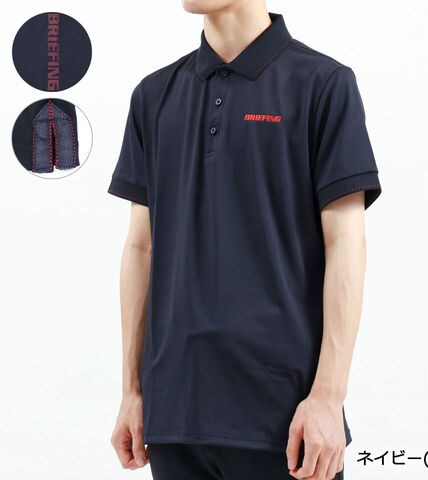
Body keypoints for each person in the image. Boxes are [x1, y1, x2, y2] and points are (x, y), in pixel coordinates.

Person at [108, 1, 382, 479]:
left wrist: (328, 396)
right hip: (174, 415)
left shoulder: (323, 84)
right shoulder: (153, 96)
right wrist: (132, 391)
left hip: (284, 418)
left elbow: (346, 245)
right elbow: (141, 248)